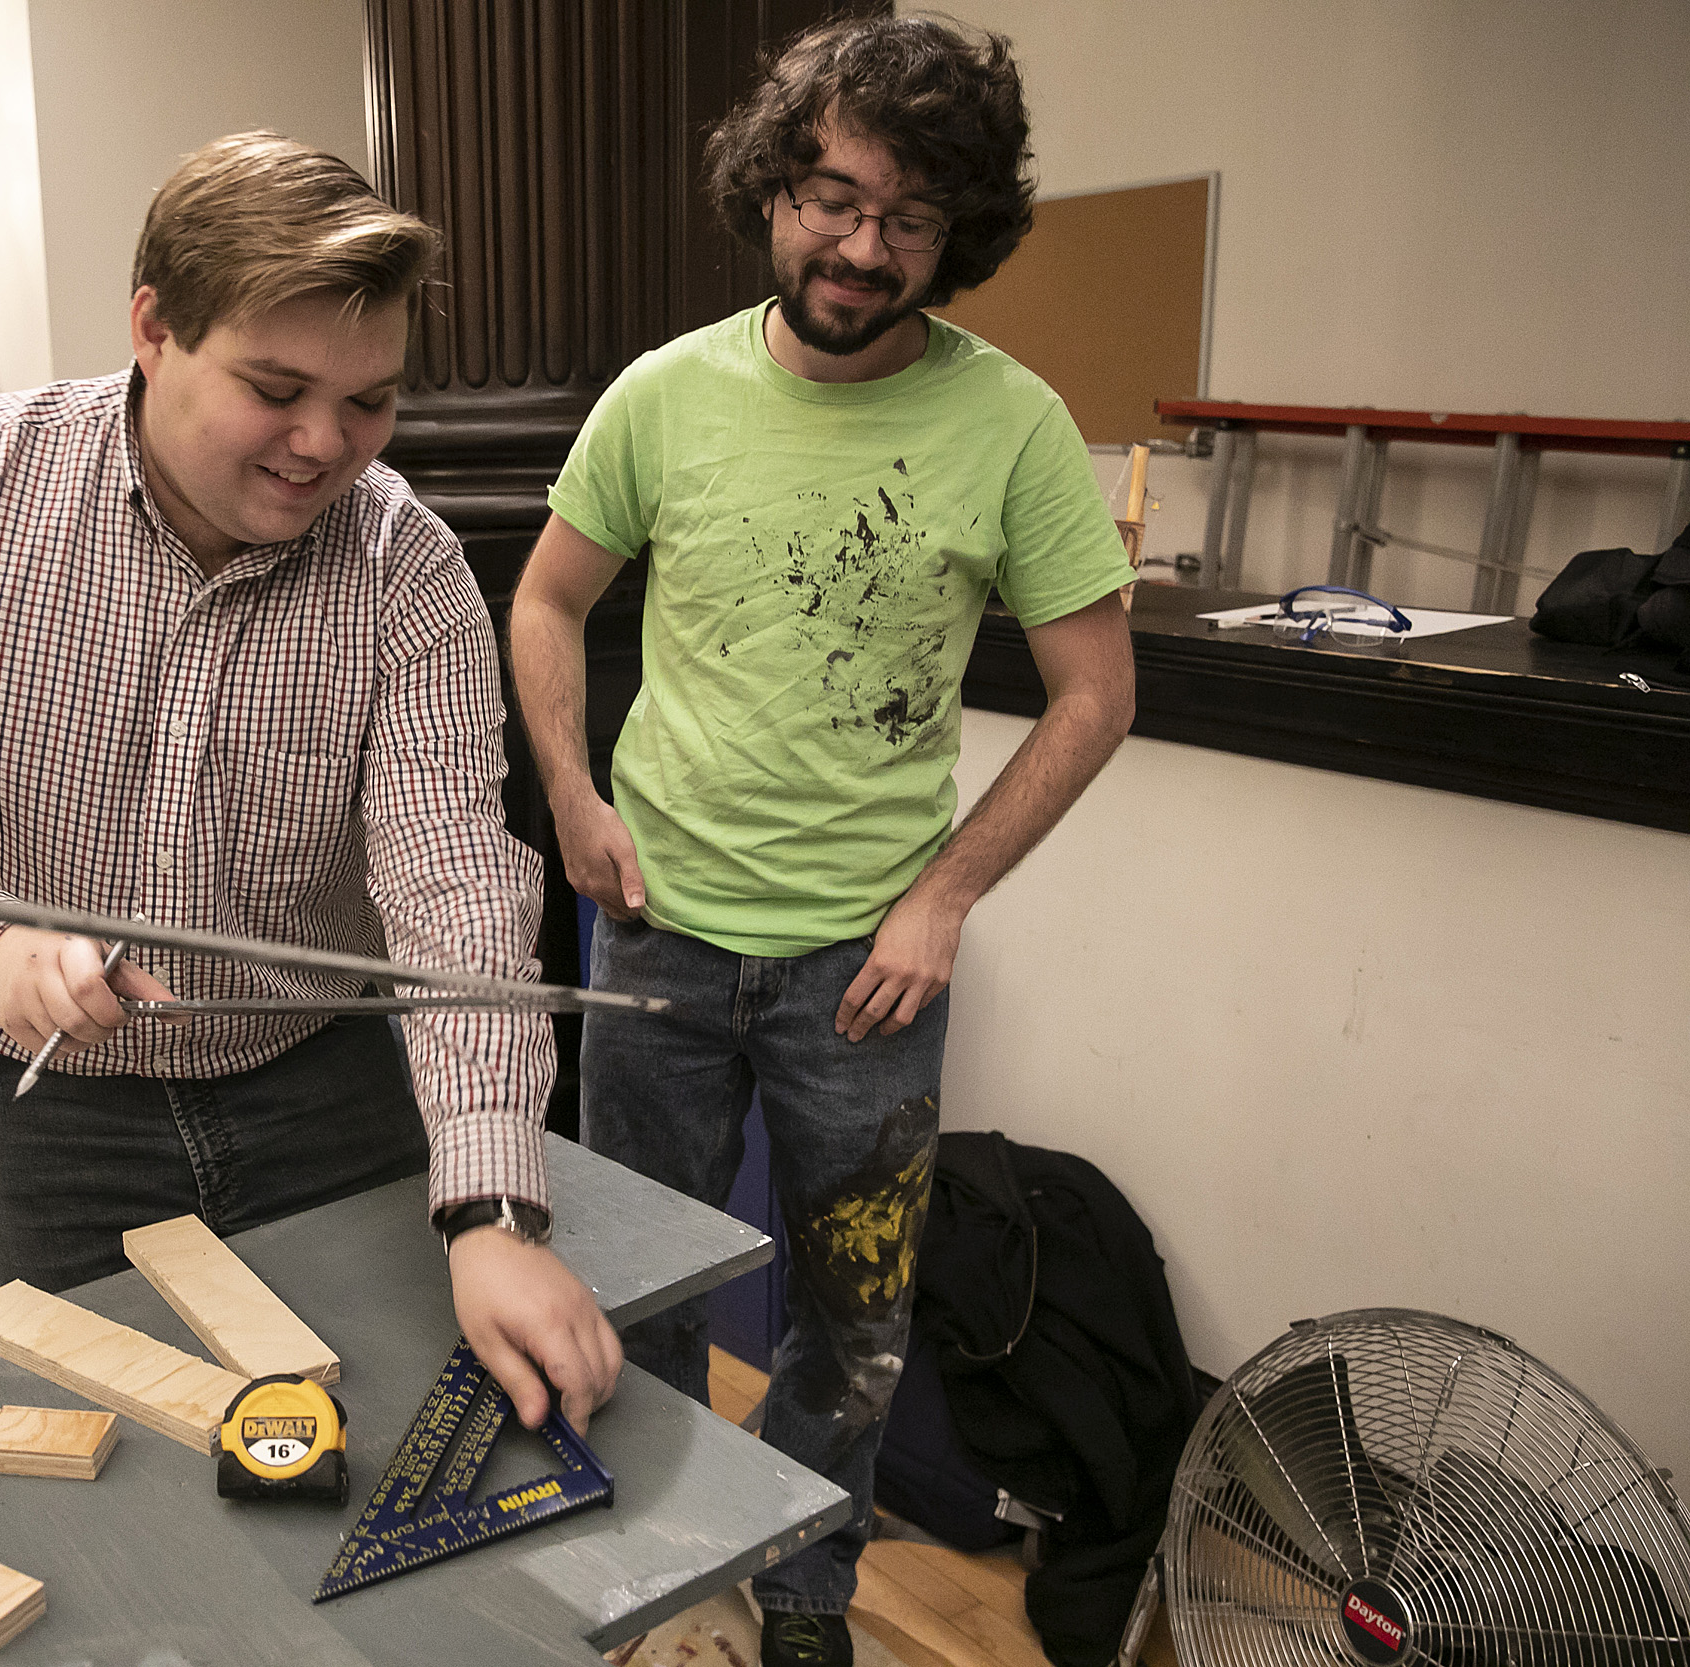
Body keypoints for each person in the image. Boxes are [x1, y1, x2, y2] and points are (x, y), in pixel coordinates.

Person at [0, 132, 621, 1433]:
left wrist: (492, 1207)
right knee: (120, 1456)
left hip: (320, 1074)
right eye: (276, 388)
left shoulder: (408, 569)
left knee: (370, 1426)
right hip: (38, 1100)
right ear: (155, 328)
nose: (326, 444)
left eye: (372, 401)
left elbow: (453, 884)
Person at [507, 16, 1138, 1662]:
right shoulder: (664, 395)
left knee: (854, 1331)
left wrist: (948, 895)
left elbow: (1093, 693)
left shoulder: (1014, 425)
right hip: (652, 938)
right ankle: (650, 1592)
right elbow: (552, 600)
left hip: (868, 972)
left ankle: (799, 1608)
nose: (863, 247)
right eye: (834, 196)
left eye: (910, 217)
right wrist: (572, 795)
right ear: (774, 187)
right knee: (636, 1298)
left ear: (960, 236)